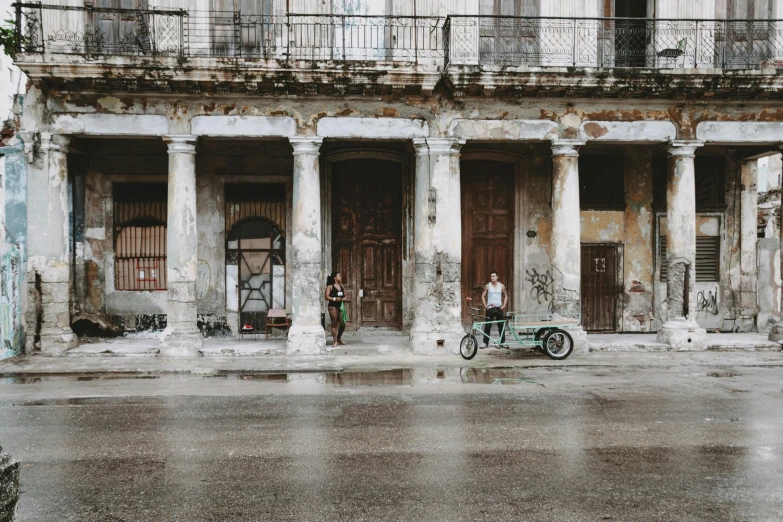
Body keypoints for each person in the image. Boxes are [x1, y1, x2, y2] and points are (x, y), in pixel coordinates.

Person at [481, 270, 508, 348]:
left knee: (501, 325)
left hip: (499, 307)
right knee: (488, 325)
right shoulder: (488, 285)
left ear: (497, 277)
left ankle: (502, 342)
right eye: (491, 276)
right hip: (490, 308)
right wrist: (485, 305)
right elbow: (483, 295)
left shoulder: (501, 286)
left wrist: (504, 305)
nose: (492, 278)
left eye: (493, 276)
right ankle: (485, 343)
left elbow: (506, 295)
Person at [325, 271, 347, 346]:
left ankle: (339, 337)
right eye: (339, 276)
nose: (340, 277)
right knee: (334, 322)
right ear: (335, 277)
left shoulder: (342, 286)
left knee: (343, 323)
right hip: (332, 306)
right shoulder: (330, 286)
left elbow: (345, 295)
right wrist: (334, 299)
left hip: (340, 306)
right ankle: (335, 341)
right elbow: (326, 297)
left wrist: (344, 298)